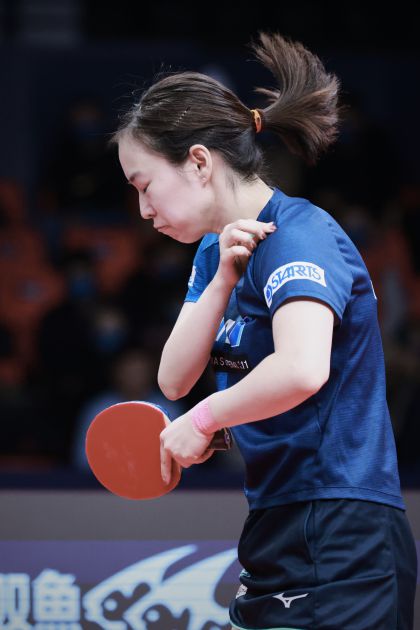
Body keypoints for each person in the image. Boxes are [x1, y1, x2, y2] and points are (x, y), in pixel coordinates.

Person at [113, 32, 417, 630]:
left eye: (144, 186)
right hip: (278, 518)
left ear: (199, 162)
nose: (143, 211)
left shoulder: (301, 235)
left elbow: (302, 369)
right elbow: (174, 380)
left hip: (341, 527)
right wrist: (221, 281)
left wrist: (204, 421)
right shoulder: (213, 253)